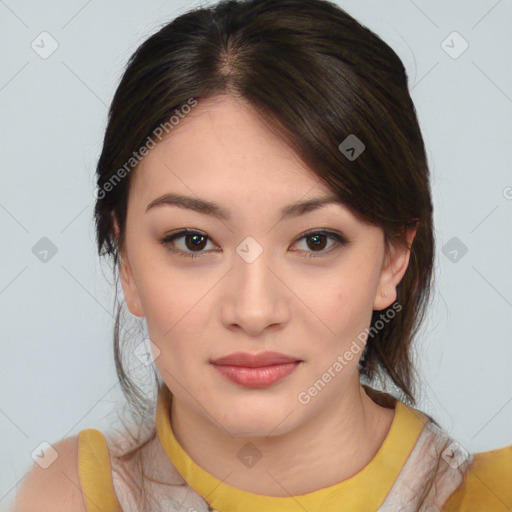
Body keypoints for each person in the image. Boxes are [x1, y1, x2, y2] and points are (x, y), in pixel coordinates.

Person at [13, 0, 512, 511]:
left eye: (316, 241)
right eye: (193, 240)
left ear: (393, 259)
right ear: (126, 263)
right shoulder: (67, 494)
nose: (253, 312)